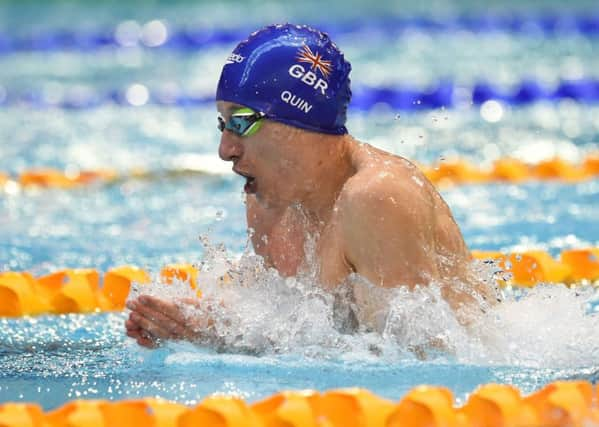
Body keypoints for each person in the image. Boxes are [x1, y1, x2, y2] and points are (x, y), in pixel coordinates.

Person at [125, 24, 495, 348]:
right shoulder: (270, 200)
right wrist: (203, 328)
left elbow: (417, 364)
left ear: (299, 122)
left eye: (240, 123)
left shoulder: (376, 197)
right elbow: (286, 325)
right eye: (222, 125)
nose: (225, 150)